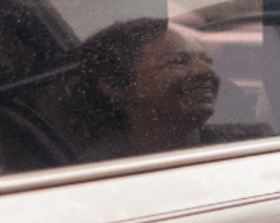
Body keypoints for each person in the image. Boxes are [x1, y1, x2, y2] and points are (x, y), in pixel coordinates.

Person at [74, 17, 266, 159]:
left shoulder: (255, 147)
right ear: (116, 86)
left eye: (206, 60)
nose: (205, 71)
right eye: (179, 62)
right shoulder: (98, 170)